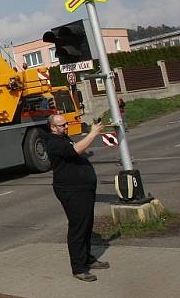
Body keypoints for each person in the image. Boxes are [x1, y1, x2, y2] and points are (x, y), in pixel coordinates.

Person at [46, 114, 109, 282]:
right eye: (61, 125)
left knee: (87, 224)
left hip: (83, 189)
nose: (65, 127)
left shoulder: (64, 138)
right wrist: (93, 133)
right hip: (71, 191)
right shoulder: (53, 142)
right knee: (78, 227)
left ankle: (87, 258)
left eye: (66, 124)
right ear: (52, 127)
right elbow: (76, 150)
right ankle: (79, 268)